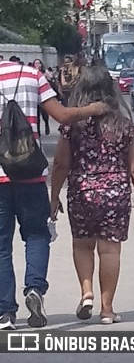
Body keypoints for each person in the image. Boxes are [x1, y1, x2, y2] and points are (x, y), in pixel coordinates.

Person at [0, 58, 107, 330]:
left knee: (1, 247)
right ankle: (34, 289)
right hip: (30, 174)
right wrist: (93, 109)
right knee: (36, 235)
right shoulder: (31, 74)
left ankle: (5, 314)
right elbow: (62, 116)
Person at [50, 66, 134, 325]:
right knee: (110, 252)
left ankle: (86, 292)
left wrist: (53, 196)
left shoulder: (72, 127)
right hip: (115, 195)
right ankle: (107, 309)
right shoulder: (123, 126)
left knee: (82, 245)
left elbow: (61, 164)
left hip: (81, 192)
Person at [32, 60, 50, 136]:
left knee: (44, 113)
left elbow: (49, 82)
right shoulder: (31, 73)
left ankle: (46, 124)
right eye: (36, 63)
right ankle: (38, 131)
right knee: (37, 115)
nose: (37, 65)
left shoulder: (45, 73)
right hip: (35, 95)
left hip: (43, 95)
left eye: (39, 63)